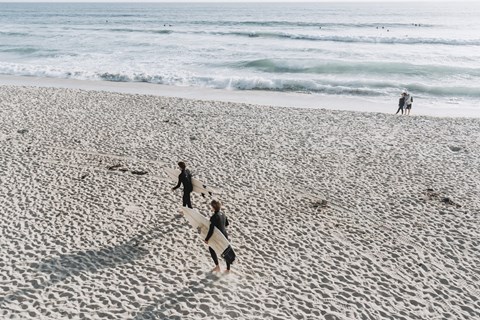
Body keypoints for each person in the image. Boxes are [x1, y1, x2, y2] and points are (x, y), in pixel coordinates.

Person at [205, 200, 232, 272]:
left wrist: (207, 239)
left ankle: (217, 267)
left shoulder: (214, 217)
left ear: (213, 207)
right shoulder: (223, 214)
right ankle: (228, 269)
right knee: (225, 251)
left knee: (211, 248)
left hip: (218, 236)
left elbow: (211, 229)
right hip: (225, 235)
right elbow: (226, 224)